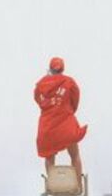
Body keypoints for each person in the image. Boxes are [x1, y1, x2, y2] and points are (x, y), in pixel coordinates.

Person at [34, 57, 87, 187]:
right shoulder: (69, 82)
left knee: (49, 157)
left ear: (50, 68)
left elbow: (38, 100)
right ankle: (78, 185)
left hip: (47, 127)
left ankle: (53, 185)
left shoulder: (40, 85)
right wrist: (68, 110)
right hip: (66, 126)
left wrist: (48, 108)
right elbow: (75, 100)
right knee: (74, 155)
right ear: (62, 69)